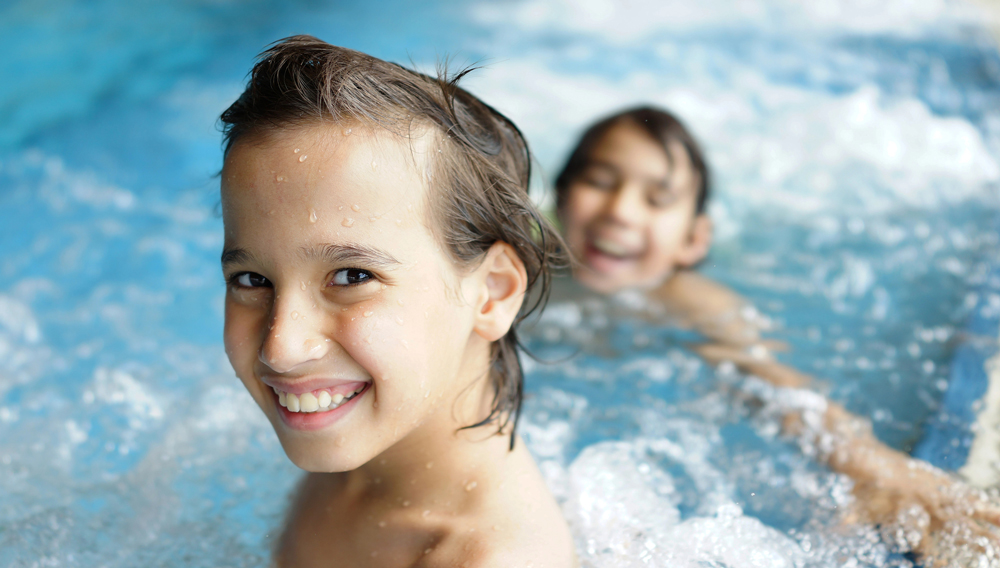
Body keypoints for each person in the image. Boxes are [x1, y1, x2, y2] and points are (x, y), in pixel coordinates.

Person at [554, 106, 1000, 565]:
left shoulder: (692, 301)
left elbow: (773, 384)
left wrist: (867, 461)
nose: (621, 211)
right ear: (560, 196)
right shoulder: (521, 263)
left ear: (694, 240)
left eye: (658, 199)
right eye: (600, 181)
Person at [217, 36, 575, 567]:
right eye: (252, 279)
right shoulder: (360, 440)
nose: (282, 348)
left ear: (492, 292)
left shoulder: (486, 557)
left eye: (352, 275)